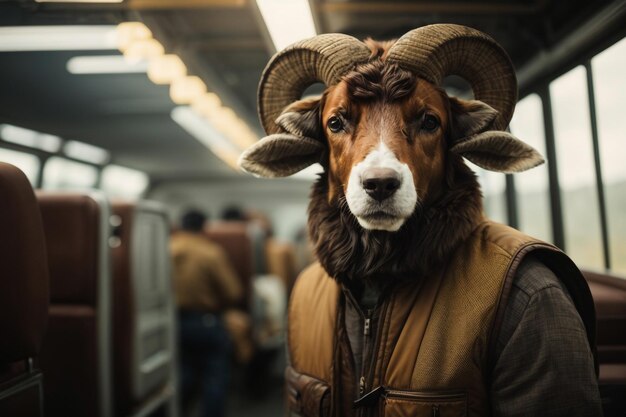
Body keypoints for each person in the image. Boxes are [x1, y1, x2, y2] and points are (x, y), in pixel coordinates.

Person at [170, 209, 243, 417]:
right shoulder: (210, 252)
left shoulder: (166, 248)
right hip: (205, 321)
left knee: (183, 373)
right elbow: (233, 291)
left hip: (173, 322)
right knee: (215, 376)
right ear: (204, 227)